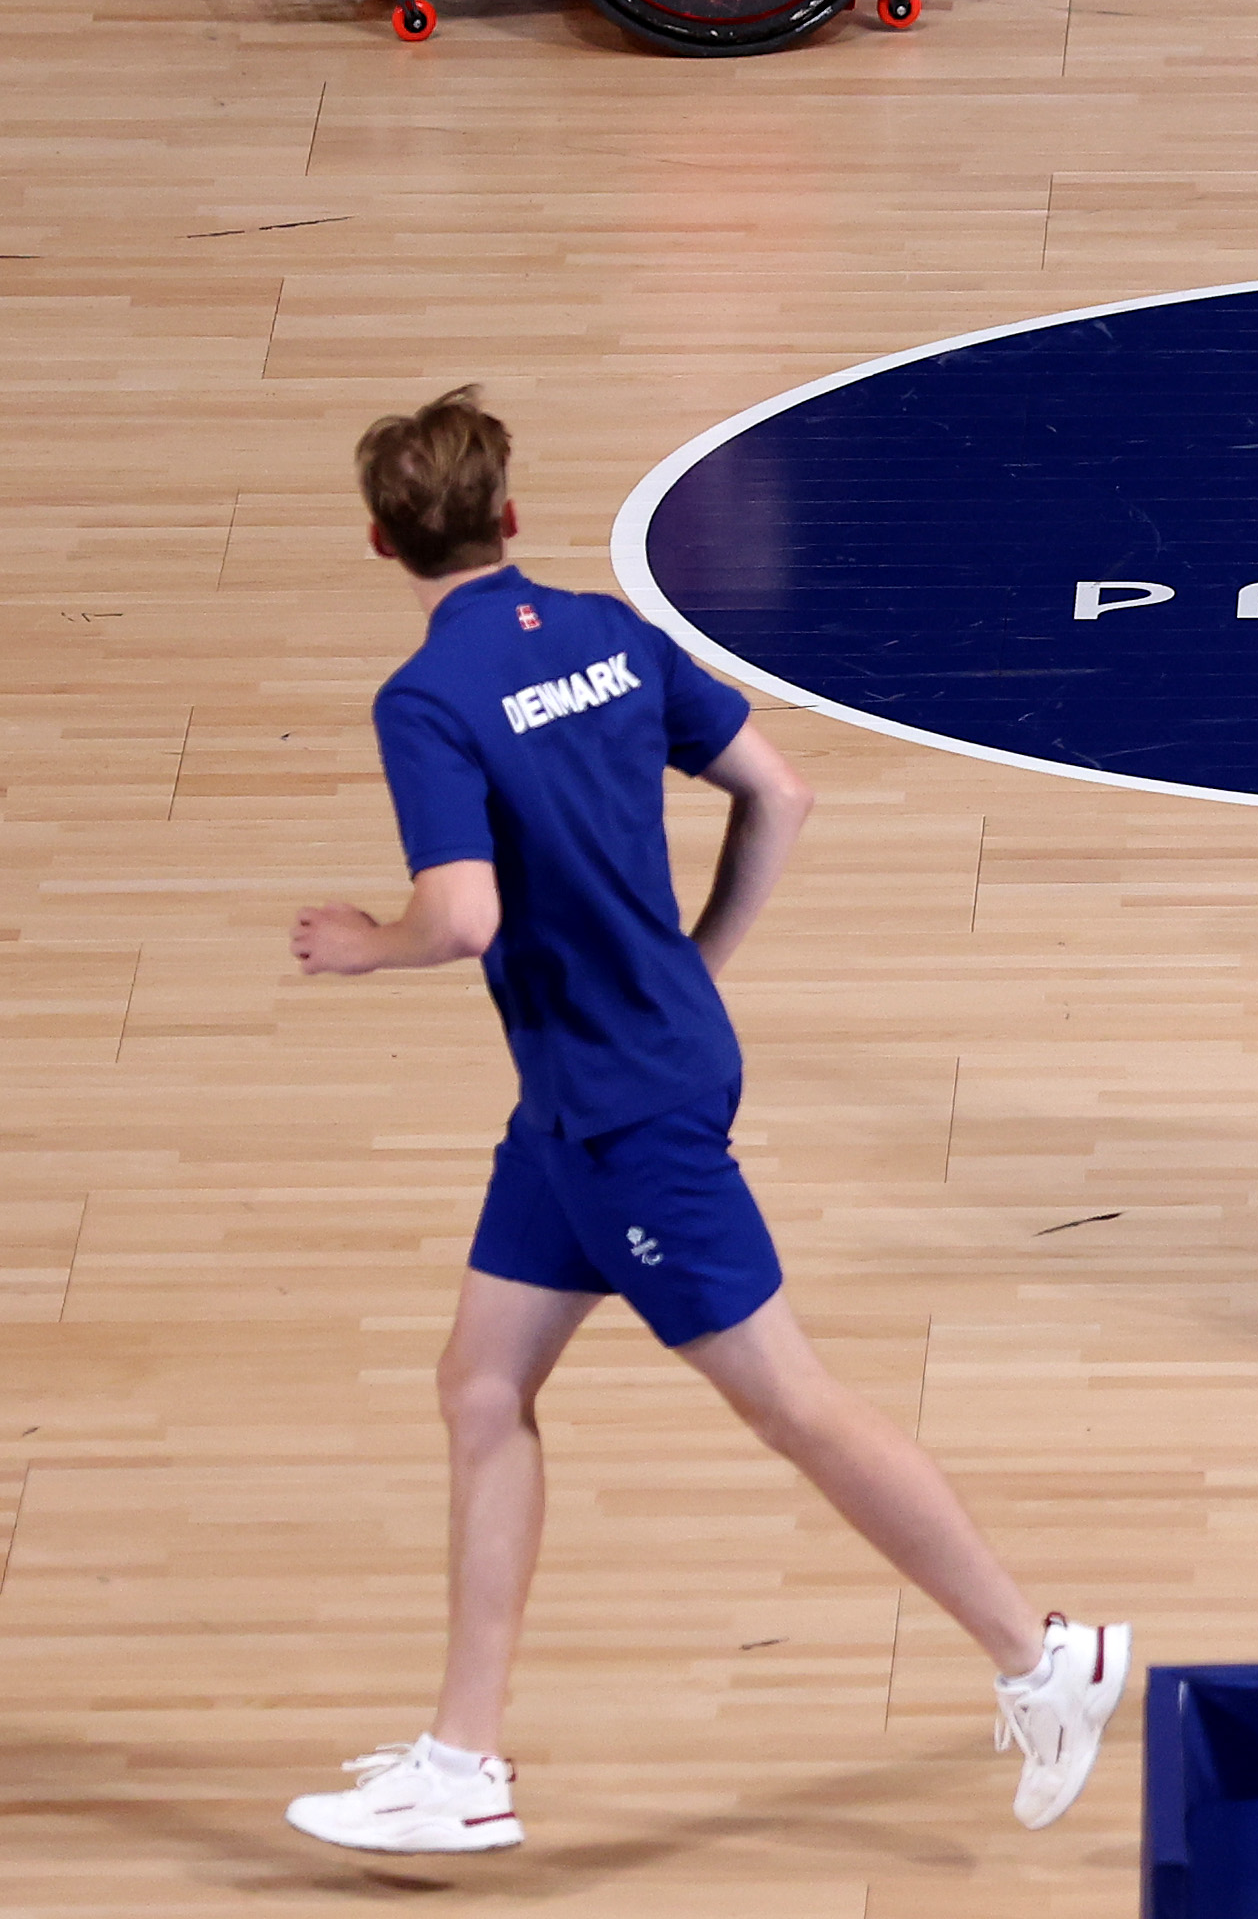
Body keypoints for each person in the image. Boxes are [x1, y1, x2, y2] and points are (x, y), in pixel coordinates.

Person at [281, 391, 1126, 1857]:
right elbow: (780, 795)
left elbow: (463, 915)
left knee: (789, 1404)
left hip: (625, 1117)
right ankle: (462, 1760)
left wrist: (367, 941)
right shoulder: (606, 635)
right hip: (595, 1095)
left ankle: (1043, 1654)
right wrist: (699, 961)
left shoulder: (426, 699)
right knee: (481, 1391)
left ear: (379, 541)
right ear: (512, 518)